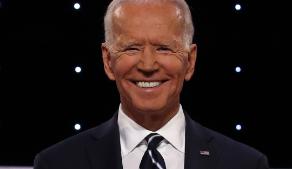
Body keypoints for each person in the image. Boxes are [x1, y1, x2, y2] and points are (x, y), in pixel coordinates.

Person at [34, 0, 269, 169]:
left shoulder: (245, 163)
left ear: (190, 61)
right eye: (132, 48)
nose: (148, 65)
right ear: (108, 60)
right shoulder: (56, 163)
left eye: (164, 48)